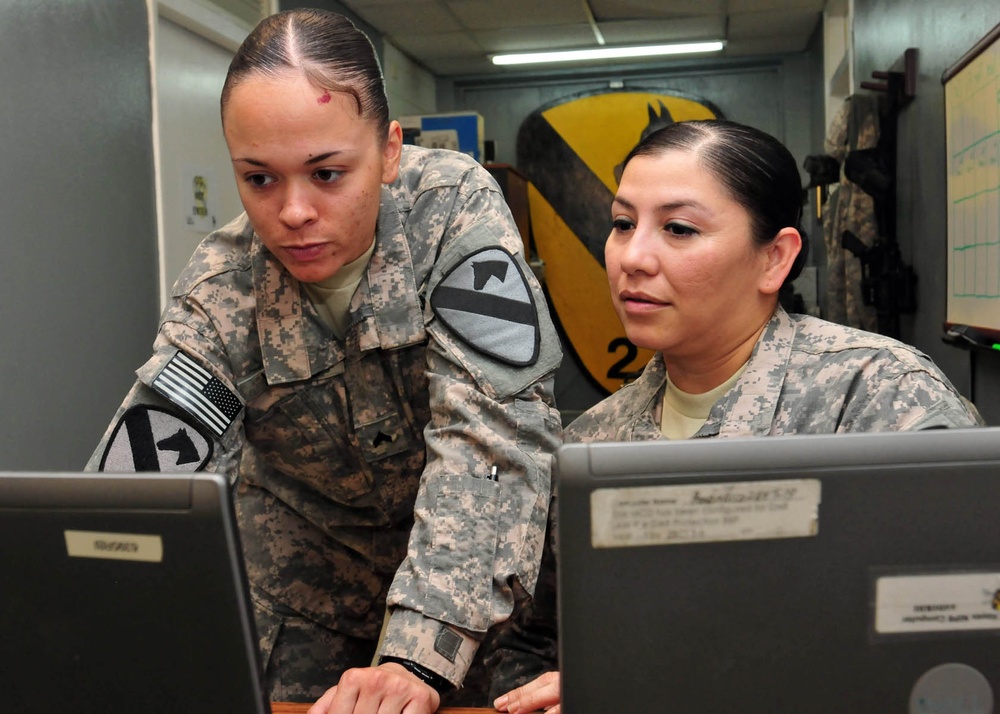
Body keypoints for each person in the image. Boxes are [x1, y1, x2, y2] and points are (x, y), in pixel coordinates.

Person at [85, 8, 564, 713]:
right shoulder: (223, 284)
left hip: (467, 581)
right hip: (303, 596)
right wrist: (72, 601)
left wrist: (415, 655)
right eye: (259, 179)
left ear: (390, 150)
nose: (293, 211)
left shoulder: (452, 214)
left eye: (327, 172)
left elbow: (493, 437)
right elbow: (147, 481)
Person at [487, 118, 983, 714]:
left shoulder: (878, 397)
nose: (632, 257)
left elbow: (963, 627)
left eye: (678, 228)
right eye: (622, 224)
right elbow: (530, 640)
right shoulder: (595, 441)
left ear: (774, 258)